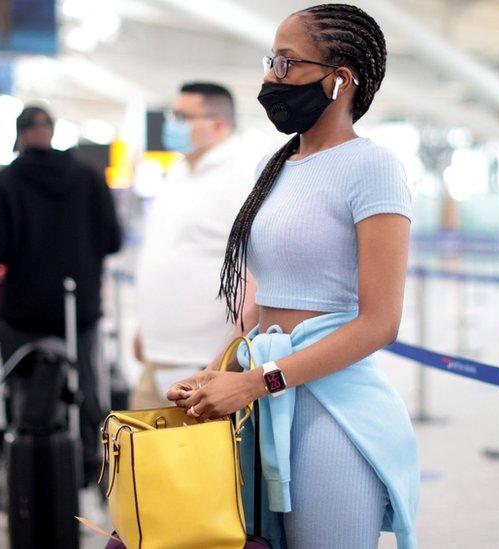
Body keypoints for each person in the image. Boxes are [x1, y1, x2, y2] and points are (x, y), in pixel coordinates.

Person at [166, 5, 419, 548]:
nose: (269, 79)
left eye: (286, 64)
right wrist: (215, 373)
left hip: (331, 409)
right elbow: (264, 296)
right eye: (270, 62)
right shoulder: (273, 167)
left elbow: (380, 323)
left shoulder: (372, 168)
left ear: (340, 80)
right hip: (265, 392)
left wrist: (258, 382)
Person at [0, 105, 122, 484]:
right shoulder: (89, 175)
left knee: (21, 381)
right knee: (88, 378)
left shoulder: (5, 182)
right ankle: (94, 462)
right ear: (52, 131)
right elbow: (113, 239)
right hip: (80, 305)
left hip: (24, 307)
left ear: (20, 135)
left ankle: (25, 455)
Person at [131, 82, 262, 409]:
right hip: (158, 355)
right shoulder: (178, 171)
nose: (171, 124)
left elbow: (258, 269)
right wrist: (145, 327)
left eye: (182, 116)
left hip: (206, 362)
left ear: (217, 124)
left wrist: (229, 357)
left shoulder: (243, 175)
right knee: (137, 456)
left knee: (194, 460)